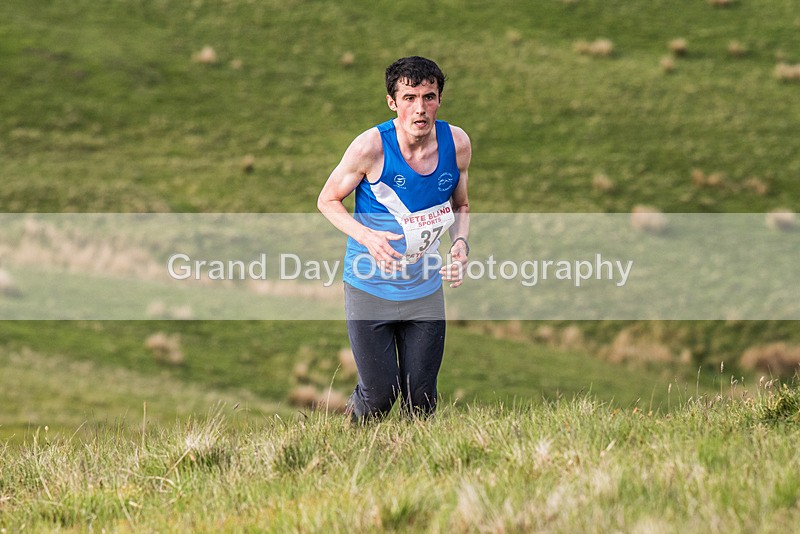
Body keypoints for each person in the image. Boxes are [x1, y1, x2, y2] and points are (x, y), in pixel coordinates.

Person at [317, 56, 472, 422]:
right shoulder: (370, 148)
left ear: (439, 100)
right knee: (380, 397)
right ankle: (350, 451)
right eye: (409, 98)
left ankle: (418, 468)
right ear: (392, 102)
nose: (420, 108)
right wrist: (367, 236)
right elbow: (327, 199)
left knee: (422, 402)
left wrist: (461, 246)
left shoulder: (458, 144)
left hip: (424, 288)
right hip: (370, 287)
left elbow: (461, 204)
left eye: (429, 97)